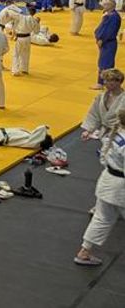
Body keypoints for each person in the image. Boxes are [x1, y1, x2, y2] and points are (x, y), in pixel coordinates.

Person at [74, 107, 125, 267]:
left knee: (102, 218)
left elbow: (103, 158)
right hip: (120, 187)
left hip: (107, 181)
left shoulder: (114, 135)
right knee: (103, 218)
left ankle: (84, 252)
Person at [82, 69, 125, 140]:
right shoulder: (101, 97)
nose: (105, 83)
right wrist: (89, 130)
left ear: (118, 82)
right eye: (104, 80)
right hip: (105, 134)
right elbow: (94, 114)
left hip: (121, 134)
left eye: (108, 80)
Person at [94, 0, 121, 89]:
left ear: (111, 6)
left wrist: (102, 39)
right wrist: (98, 37)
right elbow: (101, 28)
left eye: (106, 4)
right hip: (104, 42)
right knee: (102, 62)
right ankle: (103, 82)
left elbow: (110, 31)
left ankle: (102, 83)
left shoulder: (114, 17)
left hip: (108, 43)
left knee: (106, 63)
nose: (104, 6)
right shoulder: (107, 15)